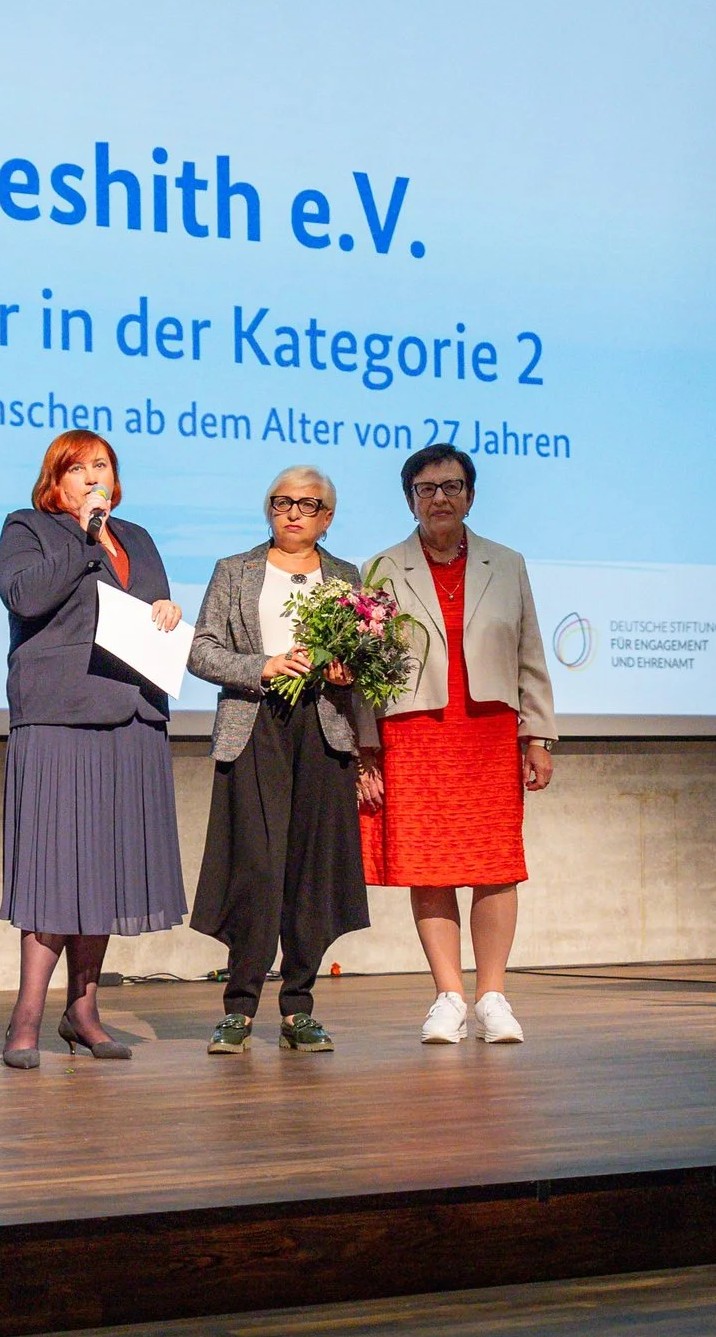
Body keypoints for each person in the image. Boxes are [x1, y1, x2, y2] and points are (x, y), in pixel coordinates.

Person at [0, 429, 188, 1068]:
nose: (93, 477)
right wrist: (82, 536)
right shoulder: (28, 528)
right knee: (54, 868)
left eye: (102, 466)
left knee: (102, 867)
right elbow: (26, 597)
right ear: (57, 479)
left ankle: (83, 1010)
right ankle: (26, 1016)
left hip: (131, 711)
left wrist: (164, 611)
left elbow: (152, 603)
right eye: (79, 469)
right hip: (59, 717)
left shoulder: (137, 538)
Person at [359, 445, 556, 1046]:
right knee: (431, 865)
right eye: (426, 489)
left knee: (496, 866)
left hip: (488, 730)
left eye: (451, 486)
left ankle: (493, 995)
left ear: (470, 494)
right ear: (410, 499)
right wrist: (367, 749)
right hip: (414, 732)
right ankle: (448, 995)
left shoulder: (507, 562)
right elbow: (366, 670)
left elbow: (530, 653)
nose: (439, 498)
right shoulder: (383, 567)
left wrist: (539, 734)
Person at [185, 467, 378, 1054]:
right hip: (254, 725)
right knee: (256, 868)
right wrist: (261, 666)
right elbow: (200, 651)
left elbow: (366, 661)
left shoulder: (347, 576)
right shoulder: (234, 571)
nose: (293, 512)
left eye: (308, 504)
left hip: (323, 729)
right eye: (282, 502)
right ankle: (239, 1008)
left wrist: (349, 673)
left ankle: (298, 1007)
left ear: (327, 517)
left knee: (310, 871)